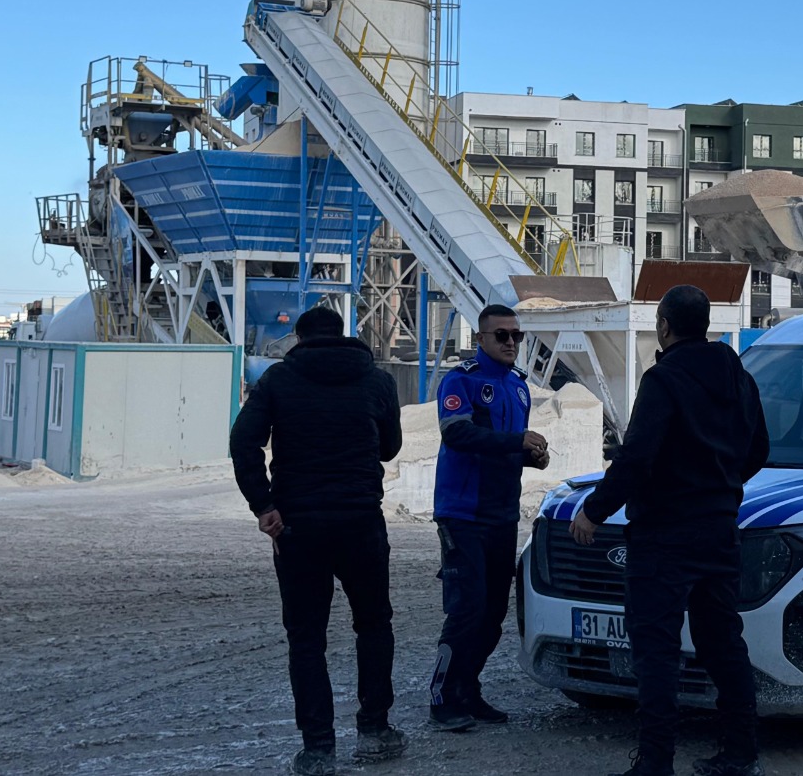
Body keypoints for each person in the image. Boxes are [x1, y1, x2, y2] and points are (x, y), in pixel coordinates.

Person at [571, 285, 770, 776]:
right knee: (723, 643)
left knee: (656, 650)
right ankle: (740, 754)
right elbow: (758, 450)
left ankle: (656, 762)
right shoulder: (740, 377)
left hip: (663, 535)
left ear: (663, 326)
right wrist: (719, 486)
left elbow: (637, 458)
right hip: (719, 530)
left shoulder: (663, 379)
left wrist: (593, 510)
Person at [229, 307, 407, 775]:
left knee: (307, 639)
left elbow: (243, 442)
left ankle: (318, 749)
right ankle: (374, 731)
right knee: (374, 625)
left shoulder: (278, 380)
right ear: (341, 335)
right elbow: (389, 447)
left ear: (299, 338)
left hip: (298, 526)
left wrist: (263, 504)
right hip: (361, 520)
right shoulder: (378, 380)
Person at [427, 303, 549, 731]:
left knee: (494, 613)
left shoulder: (519, 387)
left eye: (517, 335)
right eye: (501, 335)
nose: (511, 342)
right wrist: (517, 441)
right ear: (480, 339)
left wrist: (533, 456)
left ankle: (468, 689)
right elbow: (457, 433)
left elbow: (504, 446)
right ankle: (442, 697)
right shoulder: (461, 379)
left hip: (502, 515)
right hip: (462, 513)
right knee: (467, 609)